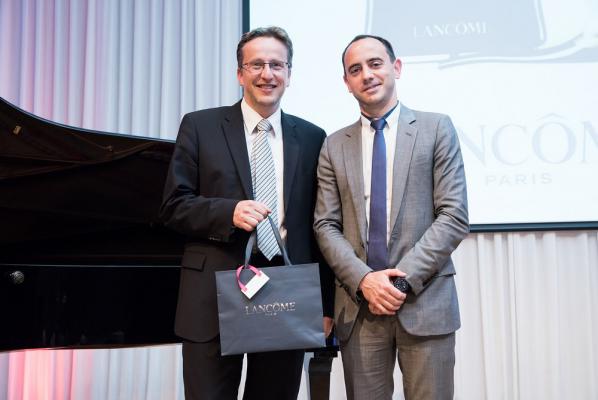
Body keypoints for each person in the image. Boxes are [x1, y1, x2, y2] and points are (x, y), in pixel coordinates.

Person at [160, 26, 334, 400]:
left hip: (287, 299)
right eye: (256, 65)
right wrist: (228, 212)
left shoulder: (313, 137)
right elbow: (173, 206)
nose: (266, 74)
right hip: (213, 300)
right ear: (240, 74)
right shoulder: (200, 126)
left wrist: (325, 304)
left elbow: (321, 227)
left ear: (289, 74)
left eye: (276, 65)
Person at [313, 34, 469, 400]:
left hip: (425, 302)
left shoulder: (436, 128)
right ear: (346, 82)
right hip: (360, 308)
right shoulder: (333, 145)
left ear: (396, 68)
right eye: (355, 69)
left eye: (375, 64)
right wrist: (365, 280)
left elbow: (453, 215)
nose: (366, 74)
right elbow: (325, 225)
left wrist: (399, 283)